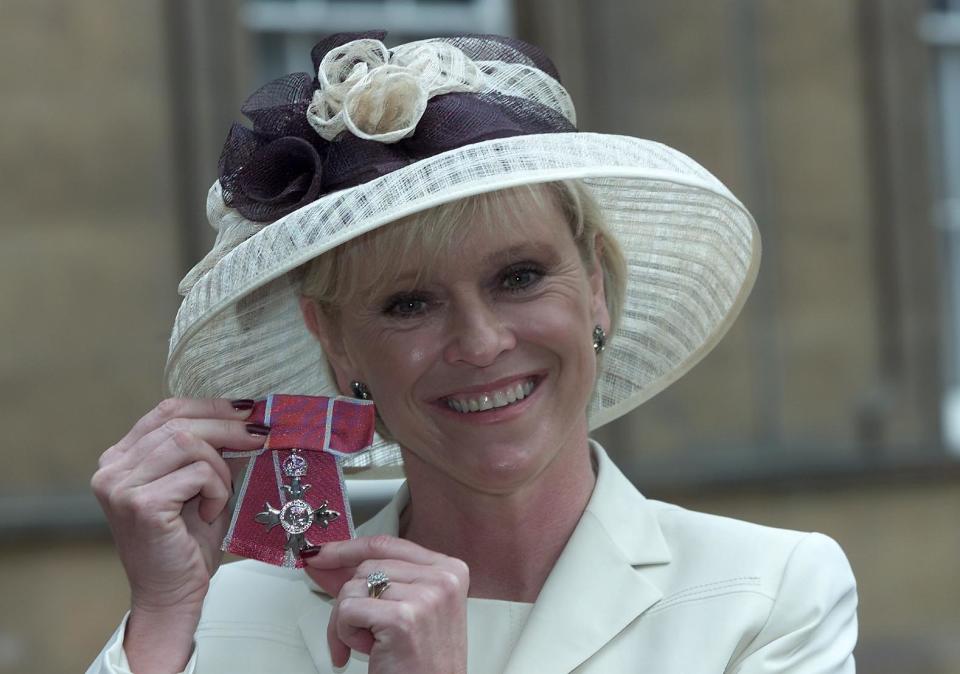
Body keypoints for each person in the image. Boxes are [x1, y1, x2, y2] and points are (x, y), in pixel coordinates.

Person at [87, 32, 858, 673]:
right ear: (335, 340)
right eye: (408, 303)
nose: (482, 342)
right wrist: (160, 618)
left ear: (593, 285)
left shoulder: (768, 592)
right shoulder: (225, 620)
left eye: (519, 277)